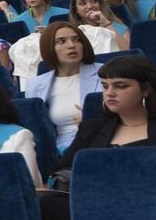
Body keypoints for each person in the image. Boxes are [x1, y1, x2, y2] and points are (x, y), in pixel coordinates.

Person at [23, 21, 103, 150]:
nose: (71, 45)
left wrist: (94, 119)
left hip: (101, 139)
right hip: (60, 149)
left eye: (77, 40)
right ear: (48, 47)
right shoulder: (35, 84)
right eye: (61, 41)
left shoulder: (104, 73)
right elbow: (35, 127)